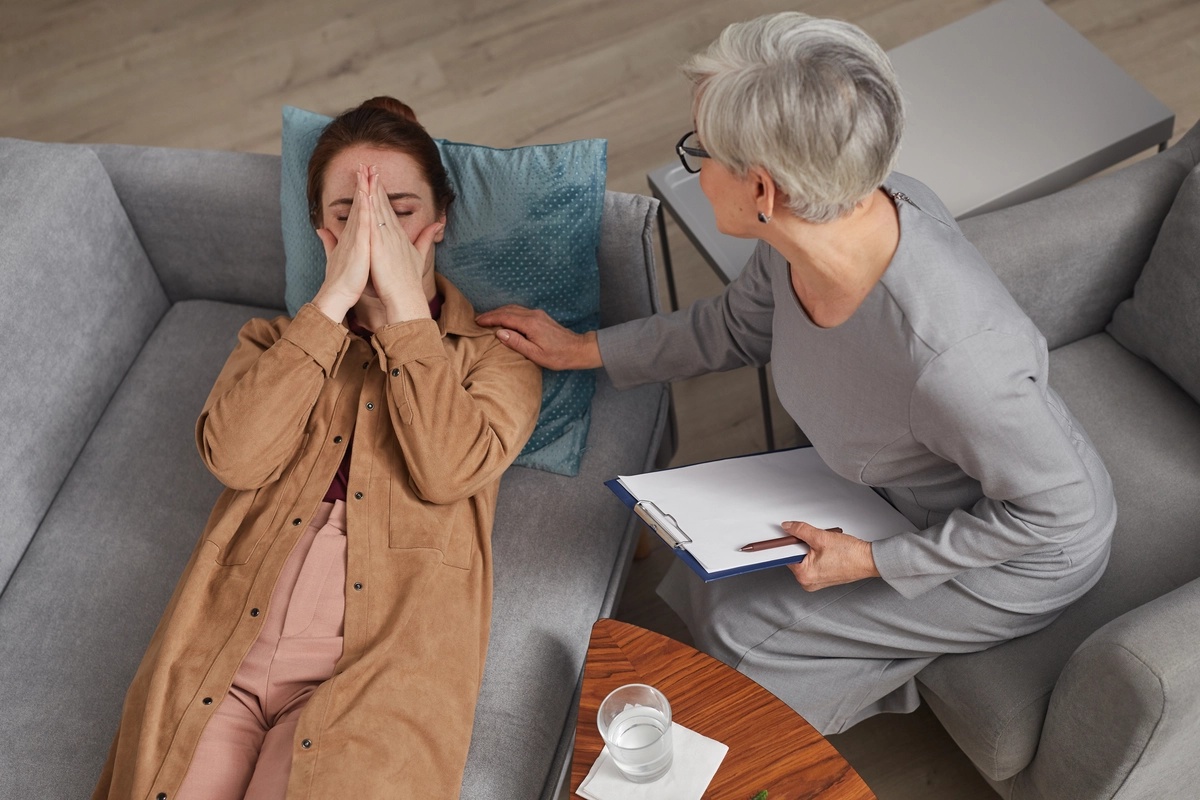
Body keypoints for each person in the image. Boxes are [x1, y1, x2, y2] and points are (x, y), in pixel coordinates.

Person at [477, 12, 1116, 735]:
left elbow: (1061, 515)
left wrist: (875, 561)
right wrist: (583, 349)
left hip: (1016, 552)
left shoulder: (954, 363)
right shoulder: (814, 230)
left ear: (762, 192)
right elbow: (737, 327)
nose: (695, 169)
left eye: (701, 153)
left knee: (753, 646)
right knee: (711, 577)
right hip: (897, 481)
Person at [94, 97, 542, 799]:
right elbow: (233, 458)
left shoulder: (495, 359)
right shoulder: (272, 343)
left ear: (438, 222)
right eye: (348, 213)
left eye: (396, 209)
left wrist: (401, 313)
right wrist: (331, 304)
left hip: (374, 655)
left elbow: (449, 470)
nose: (373, 228)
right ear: (321, 231)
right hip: (225, 642)